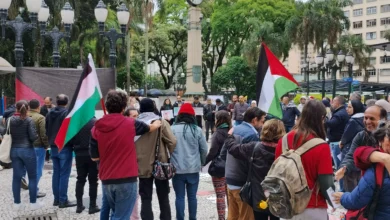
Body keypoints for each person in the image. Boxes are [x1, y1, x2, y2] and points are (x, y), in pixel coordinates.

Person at [90, 90, 162, 220]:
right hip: (126, 178)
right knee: (121, 216)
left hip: (107, 179)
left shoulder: (96, 128)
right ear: (123, 108)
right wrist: (156, 124)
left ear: (106, 107)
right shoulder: (130, 124)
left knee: (116, 213)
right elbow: (148, 128)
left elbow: (94, 157)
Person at [275, 100, 335, 219]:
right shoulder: (321, 145)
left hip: (288, 205)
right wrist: (334, 201)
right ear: (321, 118)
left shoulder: (284, 140)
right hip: (313, 206)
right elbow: (326, 182)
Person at [225, 119, 285, 220]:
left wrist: (229, 137)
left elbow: (234, 149)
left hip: (258, 196)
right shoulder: (284, 150)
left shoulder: (254, 147)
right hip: (277, 195)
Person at [333, 125, 390, 219]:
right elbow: (356, 153)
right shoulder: (362, 136)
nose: (368, 122)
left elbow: (356, 201)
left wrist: (343, 197)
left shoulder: (377, 171)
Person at [135, 98, 177, 220]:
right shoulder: (161, 122)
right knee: (163, 198)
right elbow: (172, 141)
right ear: (153, 108)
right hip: (160, 164)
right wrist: (167, 152)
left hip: (141, 165)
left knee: (145, 198)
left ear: (140, 108)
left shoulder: (135, 123)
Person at [222, 107, 266, 220]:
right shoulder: (252, 135)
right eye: (262, 121)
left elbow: (223, 153)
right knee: (245, 216)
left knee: (232, 215)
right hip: (242, 182)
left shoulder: (234, 129)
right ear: (255, 120)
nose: (263, 124)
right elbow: (253, 161)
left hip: (230, 178)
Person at [171, 103, 208, 220]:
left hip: (177, 168)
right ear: (193, 116)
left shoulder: (172, 129)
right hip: (193, 168)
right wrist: (202, 162)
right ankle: (193, 218)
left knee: (179, 197)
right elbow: (204, 149)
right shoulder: (196, 130)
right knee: (192, 197)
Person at [4, 100, 40, 210]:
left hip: (14, 150)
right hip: (28, 150)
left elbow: (6, 132)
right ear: (27, 108)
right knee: (32, 177)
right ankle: (33, 203)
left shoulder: (10, 120)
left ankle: (17, 204)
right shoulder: (29, 120)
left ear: (16, 108)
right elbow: (33, 137)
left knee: (16, 178)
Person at [335, 105, 385, 183]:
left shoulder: (386, 137)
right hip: (368, 179)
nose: (368, 121)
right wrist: (344, 168)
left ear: (383, 120)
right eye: (365, 118)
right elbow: (351, 156)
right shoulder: (361, 135)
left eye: (372, 118)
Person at [46, 94, 76, 208]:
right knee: (64, 174)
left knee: (56, 173)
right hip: (64, 146)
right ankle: (63, 200)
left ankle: (56, 199)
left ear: (57, 102)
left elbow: (46, 128)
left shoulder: (49, 113)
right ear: (66, 102)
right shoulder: (67, 114)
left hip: (53, 146)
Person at [203, 110, 231, 220]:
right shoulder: (232, 131)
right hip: (232, 168)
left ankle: (221, 218)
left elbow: (213, 152)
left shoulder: (217, 134)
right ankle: (232, 216)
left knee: (220, 196)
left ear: (219, 120)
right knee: (230, 196)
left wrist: (204, 162)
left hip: (219, 168)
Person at [71, 118, 100, 214]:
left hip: (79, 154)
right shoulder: (95, 122)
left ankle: (79, 206)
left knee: (80, 179)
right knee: (93, 181)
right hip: (92, 155)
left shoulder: (76, 123)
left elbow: (71, 139)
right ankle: (92, 206)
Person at [339, 100, 365, 192]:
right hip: (361, 153)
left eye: (350, 107)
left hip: (349, 151)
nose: (347, 109)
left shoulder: (353, 121)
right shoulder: (364, 119)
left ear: (356, 108)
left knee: (349, 177)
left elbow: (346, 136)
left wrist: (341, 143)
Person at [28, 99, 49, 198]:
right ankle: (33, 191)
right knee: (38, 170)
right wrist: (46, 145)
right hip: (37, 147)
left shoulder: (23, 116)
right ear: (38, 107)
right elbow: (43, 134)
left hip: (25, 147)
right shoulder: (40, 118)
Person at [325, 96, 349, 170]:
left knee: (338, 164)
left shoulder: (339, 114)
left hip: (336, 141)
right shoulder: (341, 112)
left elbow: (332, 124)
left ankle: (340, 179)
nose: (331, 103)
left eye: (333, 102)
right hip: (338, 140)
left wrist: (324, 121)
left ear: (338, 103)